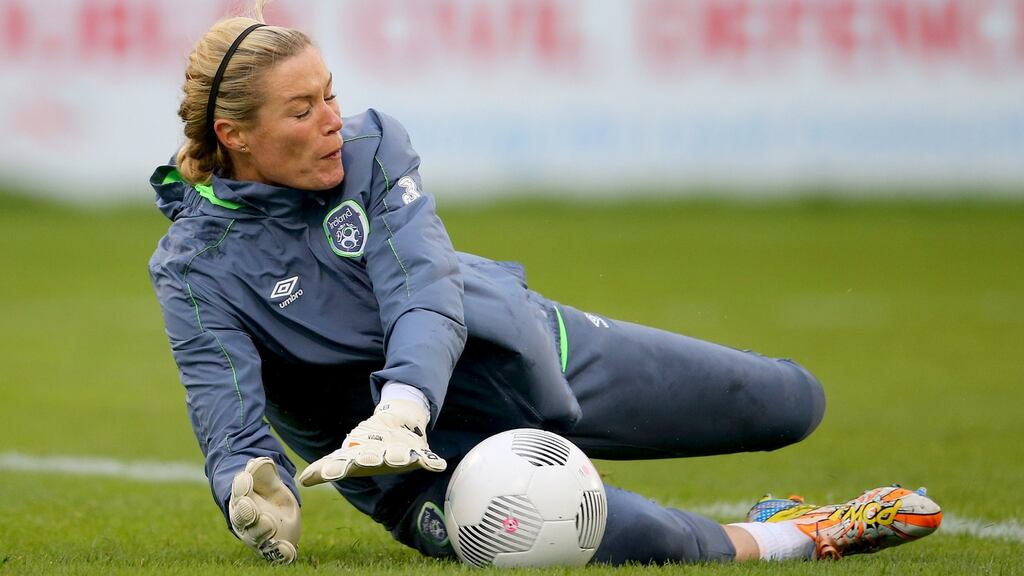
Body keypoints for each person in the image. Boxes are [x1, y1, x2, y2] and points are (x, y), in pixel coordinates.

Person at [148, 2, 941, 566]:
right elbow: (227, 412)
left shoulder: (373, 146)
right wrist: (249, 487)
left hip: (524, 352)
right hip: (424, 469)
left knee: (793, 403)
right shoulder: (194, 267)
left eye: (331, 94)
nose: (332, 119)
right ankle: (803, 535)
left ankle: (776, 498)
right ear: (234, 135)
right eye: (302, 109)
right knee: (629, 540)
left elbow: (421, 288)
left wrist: (403, 403)